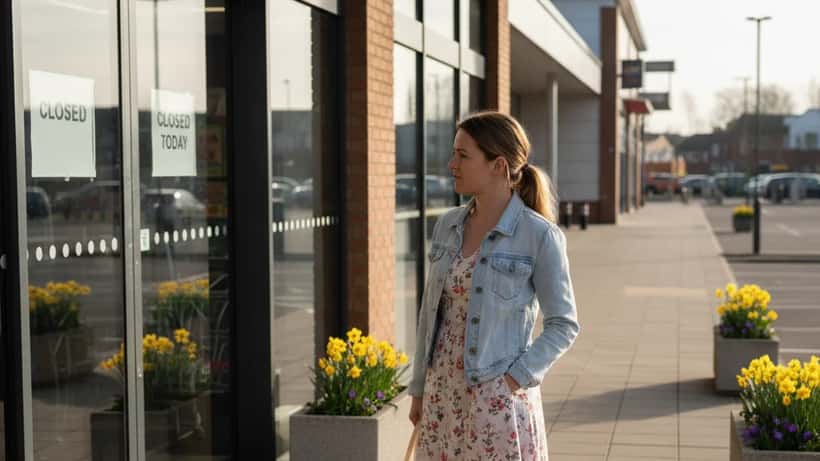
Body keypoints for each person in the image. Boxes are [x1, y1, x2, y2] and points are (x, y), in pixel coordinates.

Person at [407, 111, 580, 460]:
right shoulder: (447, 226)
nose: (451, 163)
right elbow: (430, 315)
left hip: (496, 400)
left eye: (463, 155)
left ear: (498, 165)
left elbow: (564, 325)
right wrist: (419, 387)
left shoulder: (539, 235)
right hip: (442, 395)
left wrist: (512, 382)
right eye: (454, 153)